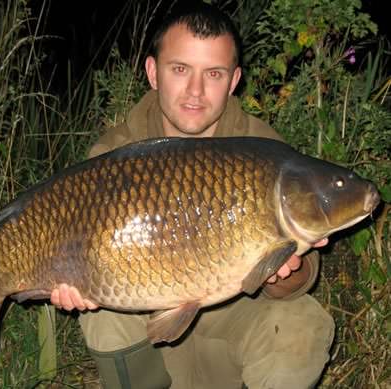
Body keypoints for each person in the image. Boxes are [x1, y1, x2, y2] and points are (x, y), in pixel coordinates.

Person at [51, 3, 334, 389]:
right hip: (149, 326)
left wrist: (284, 273)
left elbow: (301, 279)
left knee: (304, 326)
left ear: (233, 80)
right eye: (180, 69)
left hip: (233, 320)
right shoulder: (115, 153)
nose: (196, 91)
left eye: (213, 74)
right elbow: (71, 240)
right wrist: (71, 279)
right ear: (153, 72)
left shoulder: (262, 150)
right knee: (102, 316)